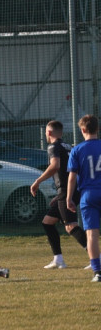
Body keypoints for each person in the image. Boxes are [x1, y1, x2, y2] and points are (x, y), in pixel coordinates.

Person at [31, 120, 88, 269]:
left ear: (49, 133)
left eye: (46, 133)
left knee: (70, 226)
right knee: (48, 222)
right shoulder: (68, 146)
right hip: (73, 189)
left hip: (66, 190)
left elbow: (55, 165)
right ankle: (58, 259)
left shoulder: (53, 147)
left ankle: (96, 256)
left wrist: (38, 181)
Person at [66, 114, 101, 283]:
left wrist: (69, 198)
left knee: (92, 234)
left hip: (88, 195)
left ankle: (97, 272)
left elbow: (72, 177)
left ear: (82, 130)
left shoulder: (77, 150)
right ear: (97, 128)